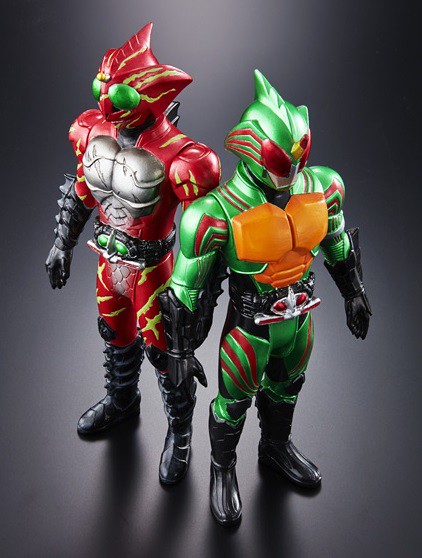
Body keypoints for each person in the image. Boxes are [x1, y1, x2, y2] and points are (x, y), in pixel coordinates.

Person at [159, 70, 371, 524]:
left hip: (301, 317)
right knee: (233, 402)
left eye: (297, 157)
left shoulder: (321, 187)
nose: (289, 172)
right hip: (250, 326)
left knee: (288, 388)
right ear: (251, 149)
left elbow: (336, 243)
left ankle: (275, 447)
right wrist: (178, 350)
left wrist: (354, 292)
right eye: (280, 160)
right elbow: (183, 290)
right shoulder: (216, 213)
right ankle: (222, 469)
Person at [45, 23, 220, 485]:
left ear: (150, 95)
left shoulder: (180, 155)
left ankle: (180, 434)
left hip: (153, 271)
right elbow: (82, 192)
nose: (106, 102)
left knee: (167, 355)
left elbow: (205, 232)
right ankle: (122, 401)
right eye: (101, 89)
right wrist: (62, 243)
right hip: (108, 262)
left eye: (119, 94)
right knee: (114, 335)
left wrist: (192, 297)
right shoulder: (94, 133)